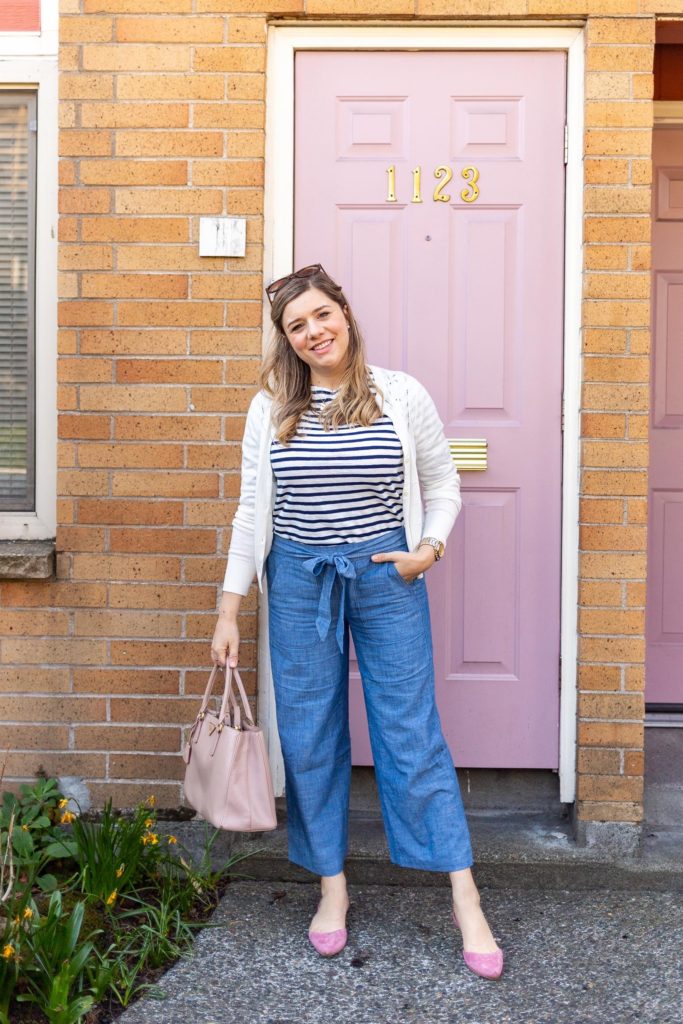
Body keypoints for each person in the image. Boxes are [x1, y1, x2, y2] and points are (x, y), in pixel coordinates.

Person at [211, 264, 504, 980]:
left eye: (321, 315)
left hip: (384, 578)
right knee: (309, 734)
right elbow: (254, 510)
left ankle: (465, 898)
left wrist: (425, 551)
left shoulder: (400, 395)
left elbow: (441, 482)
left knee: (410, 731)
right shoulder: (270, 405)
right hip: (299, 583)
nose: (314, 333)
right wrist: (230, 607)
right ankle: (331, 889)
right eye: (296, 326)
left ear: (343, 310)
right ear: (286, 339)